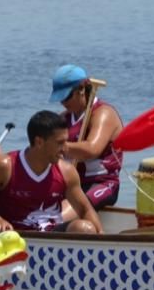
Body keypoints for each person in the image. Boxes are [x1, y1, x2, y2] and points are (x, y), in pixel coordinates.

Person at [0, 110, 102, 234]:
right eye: (60, 143)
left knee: (85, 228)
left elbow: (86, 210)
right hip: (15, 237)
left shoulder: (66, 171)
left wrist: (102, 238)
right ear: (39, 142)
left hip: (53, 237)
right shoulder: (5, 166)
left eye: (66, 142)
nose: (66, 149)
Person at [49, 64, 124, 213]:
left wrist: (58, 146)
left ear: (82, 88)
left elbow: (91, 149)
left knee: (58, 216)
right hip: (71, 183)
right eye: (60, 97)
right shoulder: (63, 118)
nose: (63, 102)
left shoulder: (103, 114)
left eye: (67, 96)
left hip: (101, 183)